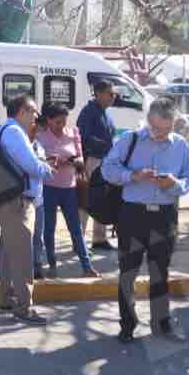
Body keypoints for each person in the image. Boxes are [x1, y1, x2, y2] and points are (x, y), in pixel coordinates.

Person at [101, 96, 189, 342]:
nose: (157, 133)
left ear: (173, 124)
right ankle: (127, 325)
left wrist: (174, 184)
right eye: (154, 127)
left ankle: (161, 322)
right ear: (148, 119)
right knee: (128, 272)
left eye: (163, 130)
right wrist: (133, 175)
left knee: (160, 272)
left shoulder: (180, 145)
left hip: (164, 217)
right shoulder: (130, 139)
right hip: (133, 215)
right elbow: (107, 169)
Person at [0, 94, 54, 324]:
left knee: (11, 252)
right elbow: (31, 165)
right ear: (21, 111)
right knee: (22, 255)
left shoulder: (6, 131)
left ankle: (7, 298)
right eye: (33, 111)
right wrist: (47, 168)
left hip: (10, 199)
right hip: (17, 202)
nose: (36, 116)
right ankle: (23, 307)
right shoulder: (15, 132)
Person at [36, 102, 99, 278]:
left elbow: (80, 156)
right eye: (57, 122)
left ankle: (86, 266)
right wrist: (53, 161)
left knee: (76, 229)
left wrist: (76, 161)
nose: (61, 126)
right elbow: (39, 161)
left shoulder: (73, 133)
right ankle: (52, 264)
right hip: (48, 188)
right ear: (48, 120)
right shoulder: (41, 137)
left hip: (69, 188)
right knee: (48, 229)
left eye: (64, 121)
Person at [76, 79, 117, 251]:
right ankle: (79, 240)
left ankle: (99, 239)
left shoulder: (105, 113)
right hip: (91, 160)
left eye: (114, 94)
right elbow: (83, 137)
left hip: (105, 160)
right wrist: (104, 144)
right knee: (87, 200)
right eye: (110, 93)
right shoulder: (88, 112)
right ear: (99, 93)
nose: (113, 97)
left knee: (103, 199)